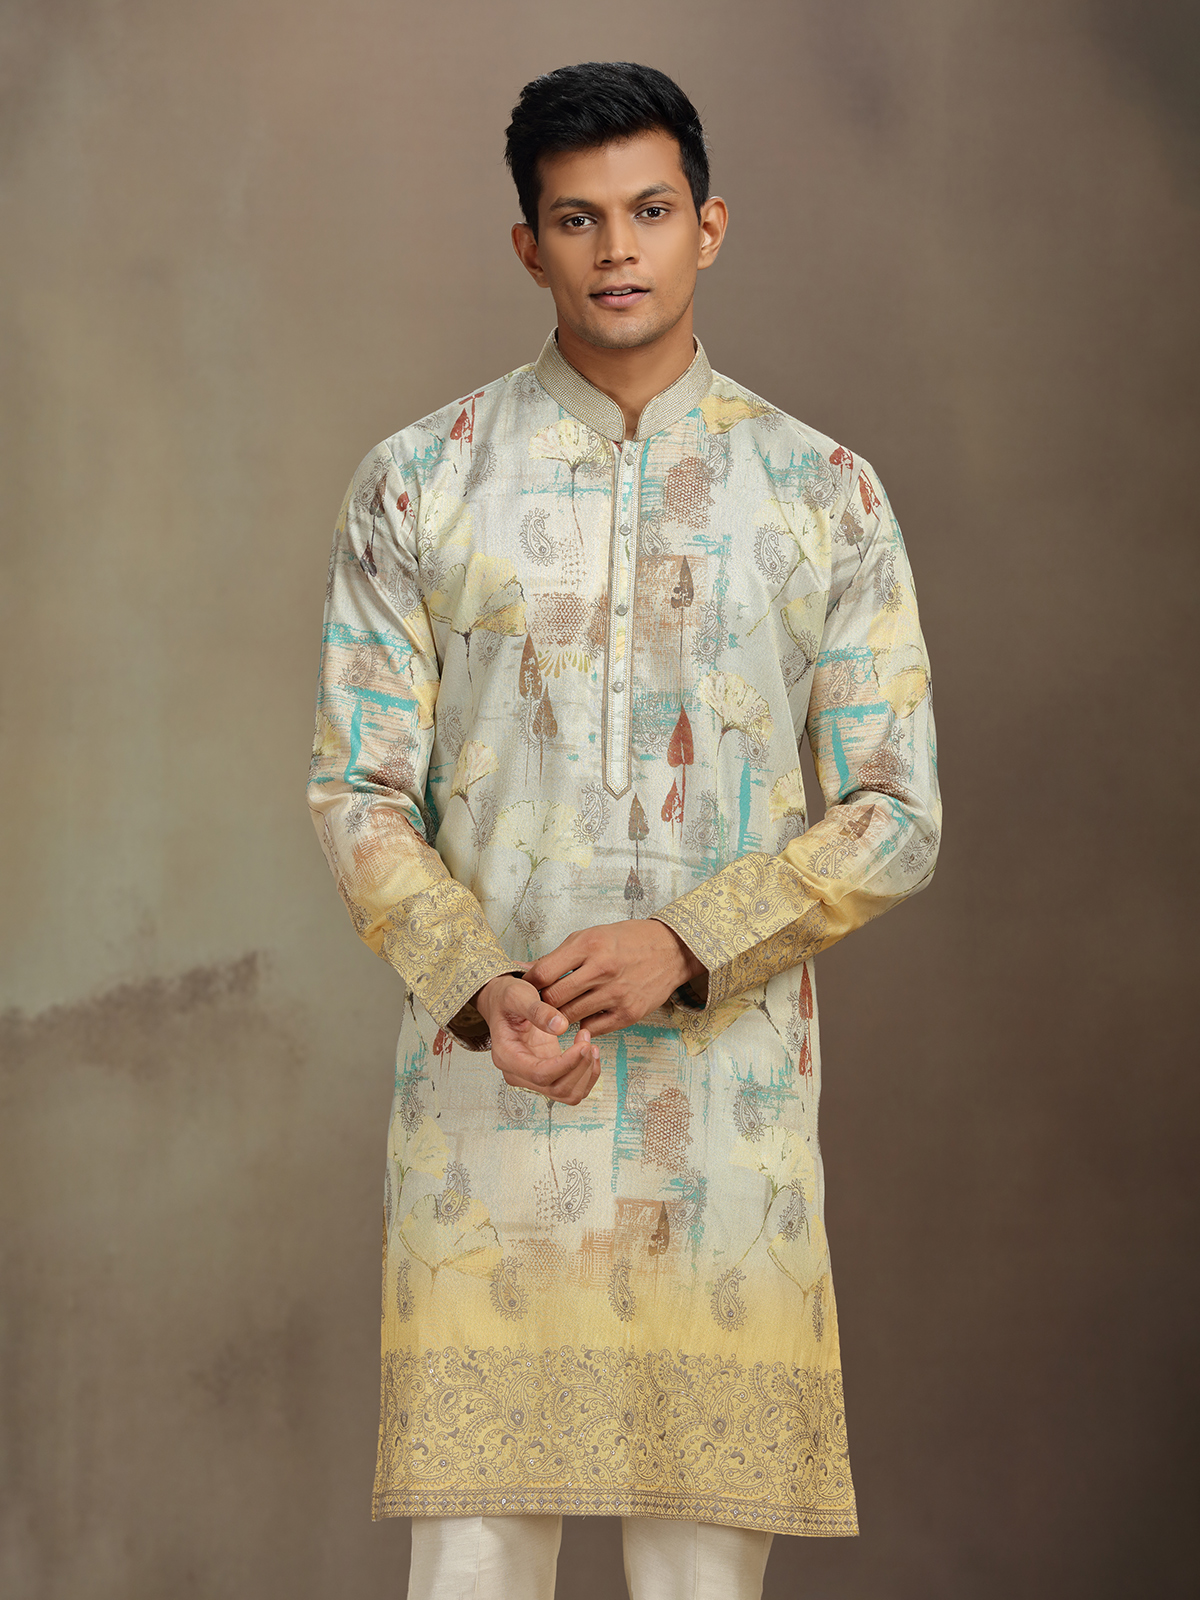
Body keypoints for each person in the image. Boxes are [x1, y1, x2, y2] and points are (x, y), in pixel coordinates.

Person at [307, 60, 940, 1600]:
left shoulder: (823, 495)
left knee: (702, 1580)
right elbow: (358, 792)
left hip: (724, 1134)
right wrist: (477, 985)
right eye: (578, 220)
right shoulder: (421, 483)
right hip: (491, 1110)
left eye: (650, 211)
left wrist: (685, 942)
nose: (618, 250)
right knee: (472, 1568)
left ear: (709, 226)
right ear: (528, 245)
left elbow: (895, 813)